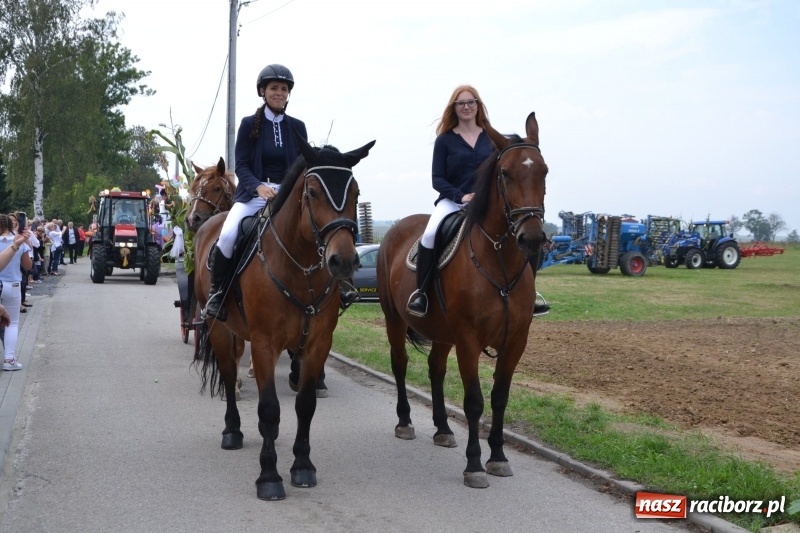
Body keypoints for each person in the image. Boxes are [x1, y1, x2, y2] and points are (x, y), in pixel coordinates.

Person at [202, 64, 309, 321]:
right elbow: (241, 164)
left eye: (284, 89)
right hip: (254, 194)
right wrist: (258, 187)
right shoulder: (249, 124)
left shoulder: (298, 127)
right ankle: (217, 293)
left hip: (288, 195)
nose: (279, 93)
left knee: (315, 230)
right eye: (274, 88)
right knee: (227, 234)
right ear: (263, 91)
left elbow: (304, 163)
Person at [406, 85, 495, 317]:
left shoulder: (491, 138)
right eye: (461, 103)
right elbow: (437, 179)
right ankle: (422, 293)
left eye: (470, 102)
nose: (466, 106)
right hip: (452, 201)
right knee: (429, 234)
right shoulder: (444, 140)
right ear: (454, 108)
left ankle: (529, 292)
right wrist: (460, 196)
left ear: (478, 105)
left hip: (487, 203)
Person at [0, 213, 33, 370]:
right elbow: (28, 266)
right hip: (12, 284)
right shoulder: (19, 242)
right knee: (11, 323)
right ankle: (9, 359)